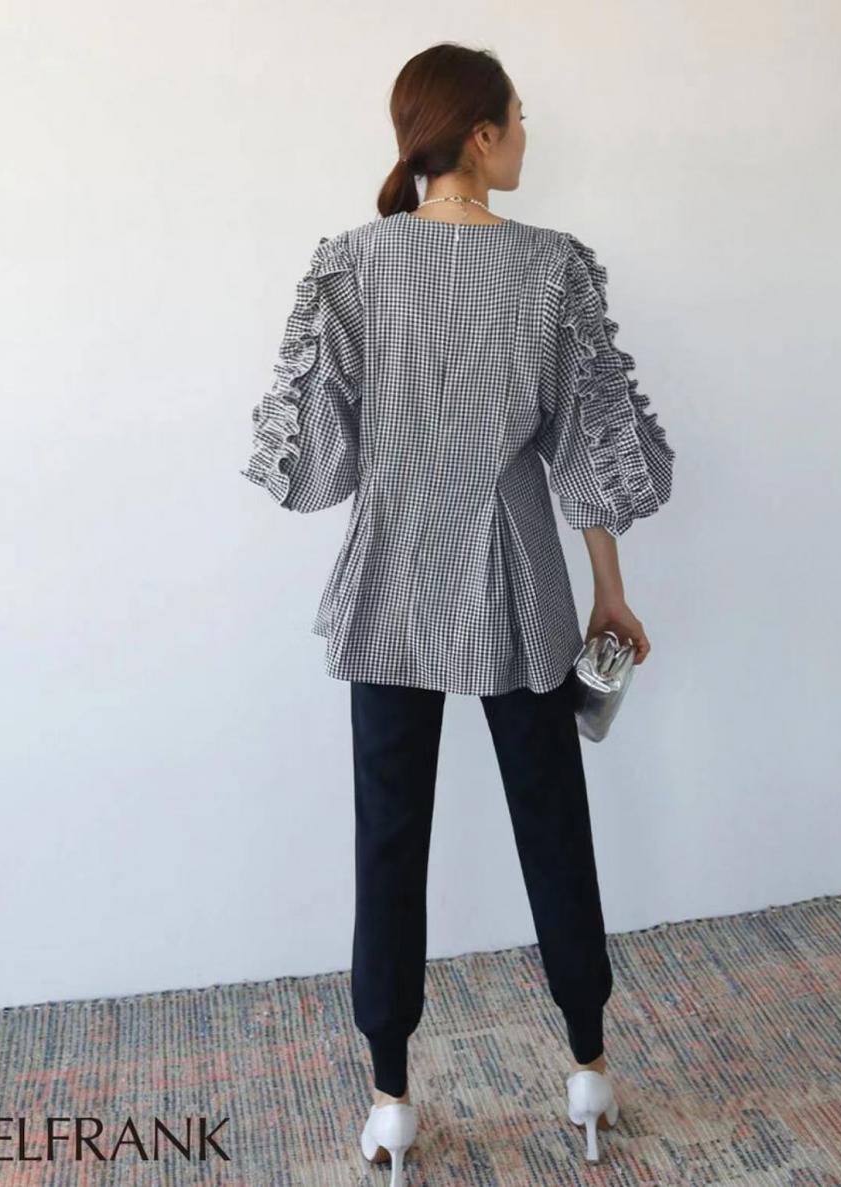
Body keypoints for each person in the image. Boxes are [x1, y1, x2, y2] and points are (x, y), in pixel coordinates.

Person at [240, 41, 676, 1179]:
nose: (527, 134)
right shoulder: (551, 267)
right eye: (518, 118)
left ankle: (390, 1098)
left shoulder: (351, 263)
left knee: (387, 839)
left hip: (389, 582)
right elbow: (587, 449)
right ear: (480, 136)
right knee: (554, 824)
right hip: (518, 582)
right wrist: (609, 590)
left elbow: (318, 465)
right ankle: (588, 1069)